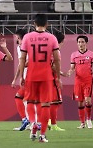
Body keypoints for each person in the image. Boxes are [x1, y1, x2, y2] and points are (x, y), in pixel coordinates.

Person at [20, 14, 61, 142]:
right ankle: (42, 135)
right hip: (46, 75)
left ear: (34, 23)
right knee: (46, 105)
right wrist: (58, 76)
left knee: (30, 101)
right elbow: (57, 58)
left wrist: (21, 75)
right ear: (46, 24)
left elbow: (22, 58)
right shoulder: (52, 38)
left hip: (31, 74)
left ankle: (33, 123)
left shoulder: (27, 37)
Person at [67, 35, 93, 129]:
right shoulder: (74, 55)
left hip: (88, 80)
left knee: (88, 100)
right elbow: (72, 68)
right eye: (79, 42)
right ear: (77, 43)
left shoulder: (92, 54)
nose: (80, 44)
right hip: (78, 81)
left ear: (86, 43)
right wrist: (69, 72)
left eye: (82, 42)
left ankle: (88, 119)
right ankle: (82, 123)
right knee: (80, 102)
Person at [11, 28, 30, 131]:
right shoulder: (19, 47)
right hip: (25, 76)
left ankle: (31, 122)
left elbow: (28, 62)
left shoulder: (28, 47)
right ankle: (27, 121)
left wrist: (22, 76)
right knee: (20, 97)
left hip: (31, 76)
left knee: (25, 99)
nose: (16, 40)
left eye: (17, 38)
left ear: (19, 37)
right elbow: (20, 64)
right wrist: (16, 78)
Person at [48, 31, 65, 131]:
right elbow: (53, 66)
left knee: (50, 102)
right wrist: (60, 76)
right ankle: (52, 123)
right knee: (55, 102)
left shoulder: (49, 49)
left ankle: (50, 121)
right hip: (53, 79)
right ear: (61, 41)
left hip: (47, 78)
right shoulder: (56, 51)